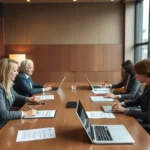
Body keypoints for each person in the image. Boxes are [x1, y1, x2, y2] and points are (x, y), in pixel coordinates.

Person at [0, 58, 40, 128]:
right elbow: (4, 114)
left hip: (6, 122)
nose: (17, 73)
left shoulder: (7, 84)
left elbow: (16, 96)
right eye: (15, 71)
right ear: (6, 72)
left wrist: (29, 99)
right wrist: (26, 113)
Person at [112, 59, 150, 124]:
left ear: (144, 73)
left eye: (137, 73)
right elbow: (140, 99)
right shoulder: (148, 85)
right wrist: (123, 104)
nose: (136, 75)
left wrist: (125, 110)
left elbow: (148, 116)